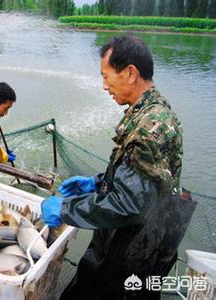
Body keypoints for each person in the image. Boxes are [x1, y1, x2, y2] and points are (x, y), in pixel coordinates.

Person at [42, 35, 196, 299]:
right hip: (141, 241)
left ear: (130, 73)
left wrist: (67, 209)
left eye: (106, 76)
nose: (104, 86)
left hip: (132, 255)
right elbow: (147, 179)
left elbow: (130, 205)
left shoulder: (150, 127)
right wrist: (98, 182)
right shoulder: (154, 110)